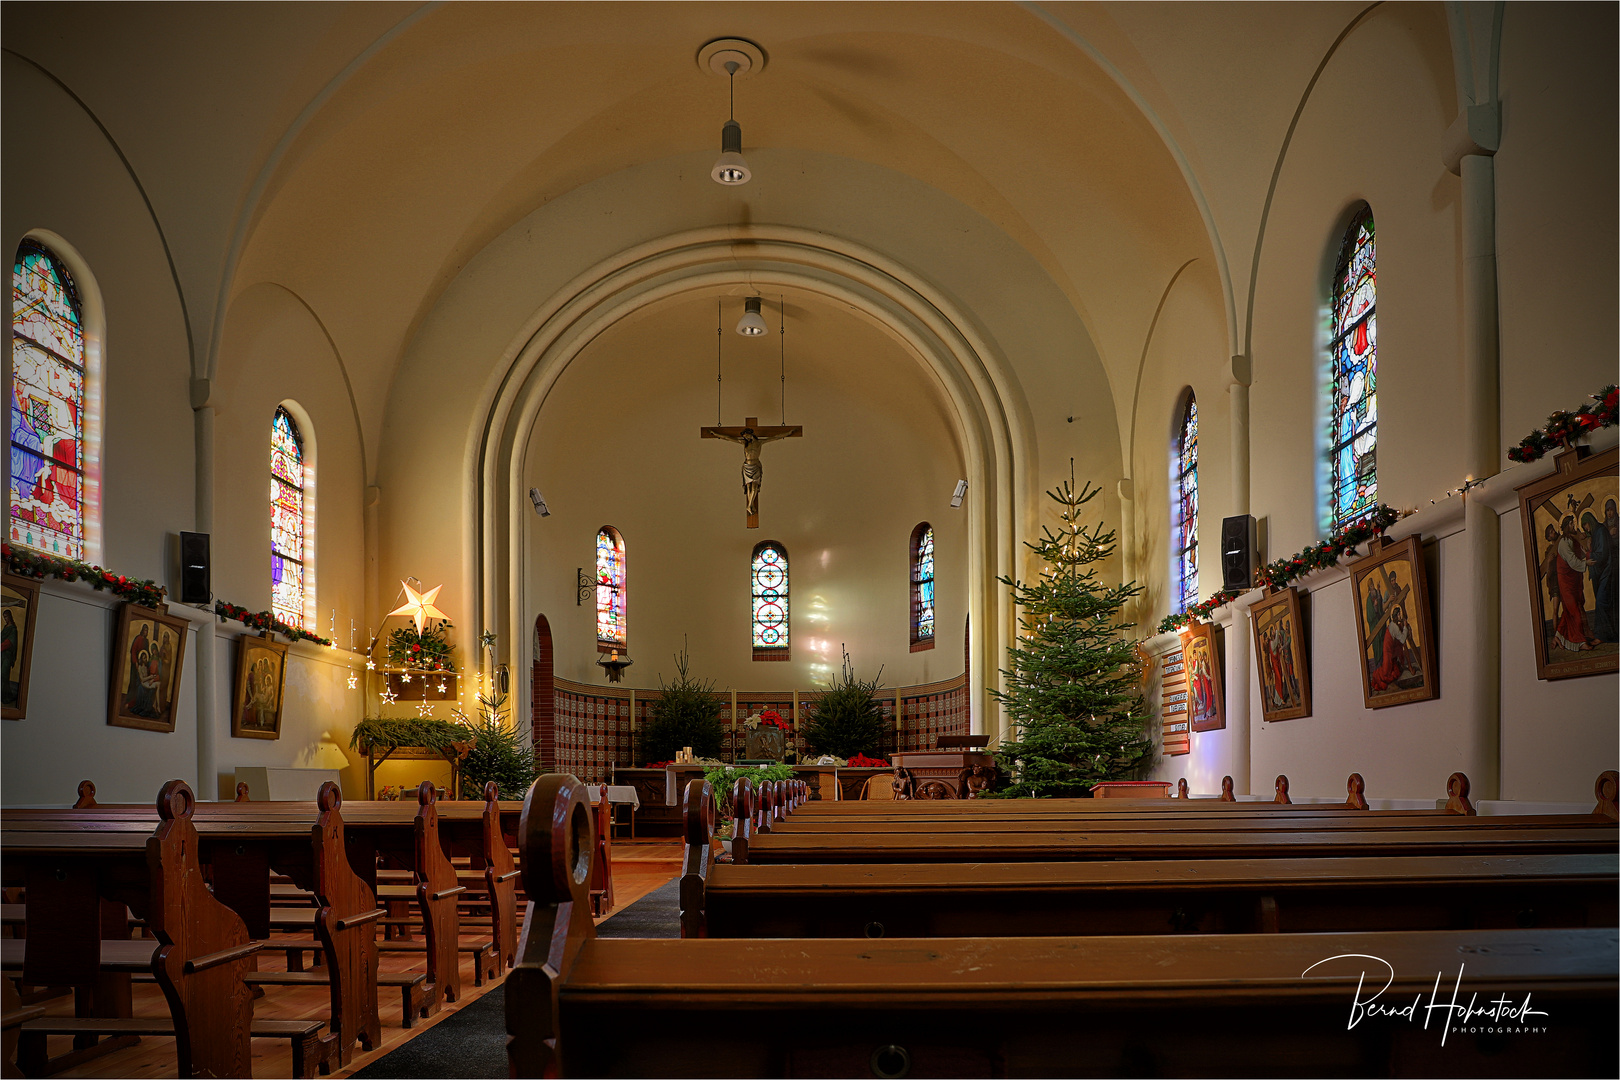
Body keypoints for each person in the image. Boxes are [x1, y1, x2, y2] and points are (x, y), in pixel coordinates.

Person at [1582, 509, 1617, 642]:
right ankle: (1608, 635)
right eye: (1583, 526)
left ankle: (1601, 636)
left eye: (1586, 524)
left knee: (1601, 601)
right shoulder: (1595, 534)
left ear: (1591, 521)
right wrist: (1589, 549)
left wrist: (1588, 554)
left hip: (1607, 571)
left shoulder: (1600, 531)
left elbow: (1602, 554)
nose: (1586, 527)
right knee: (1603, 602)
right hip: (1601, 573)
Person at [2, 610, 17, 707]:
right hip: (1, 655)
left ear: (10, 616)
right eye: (4, 617)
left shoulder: (13, 630)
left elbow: (9, 642)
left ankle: (5, 696)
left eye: (6, 616)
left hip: (6, 656)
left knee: (3, 676)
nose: (5, 619)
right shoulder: (5, 628)